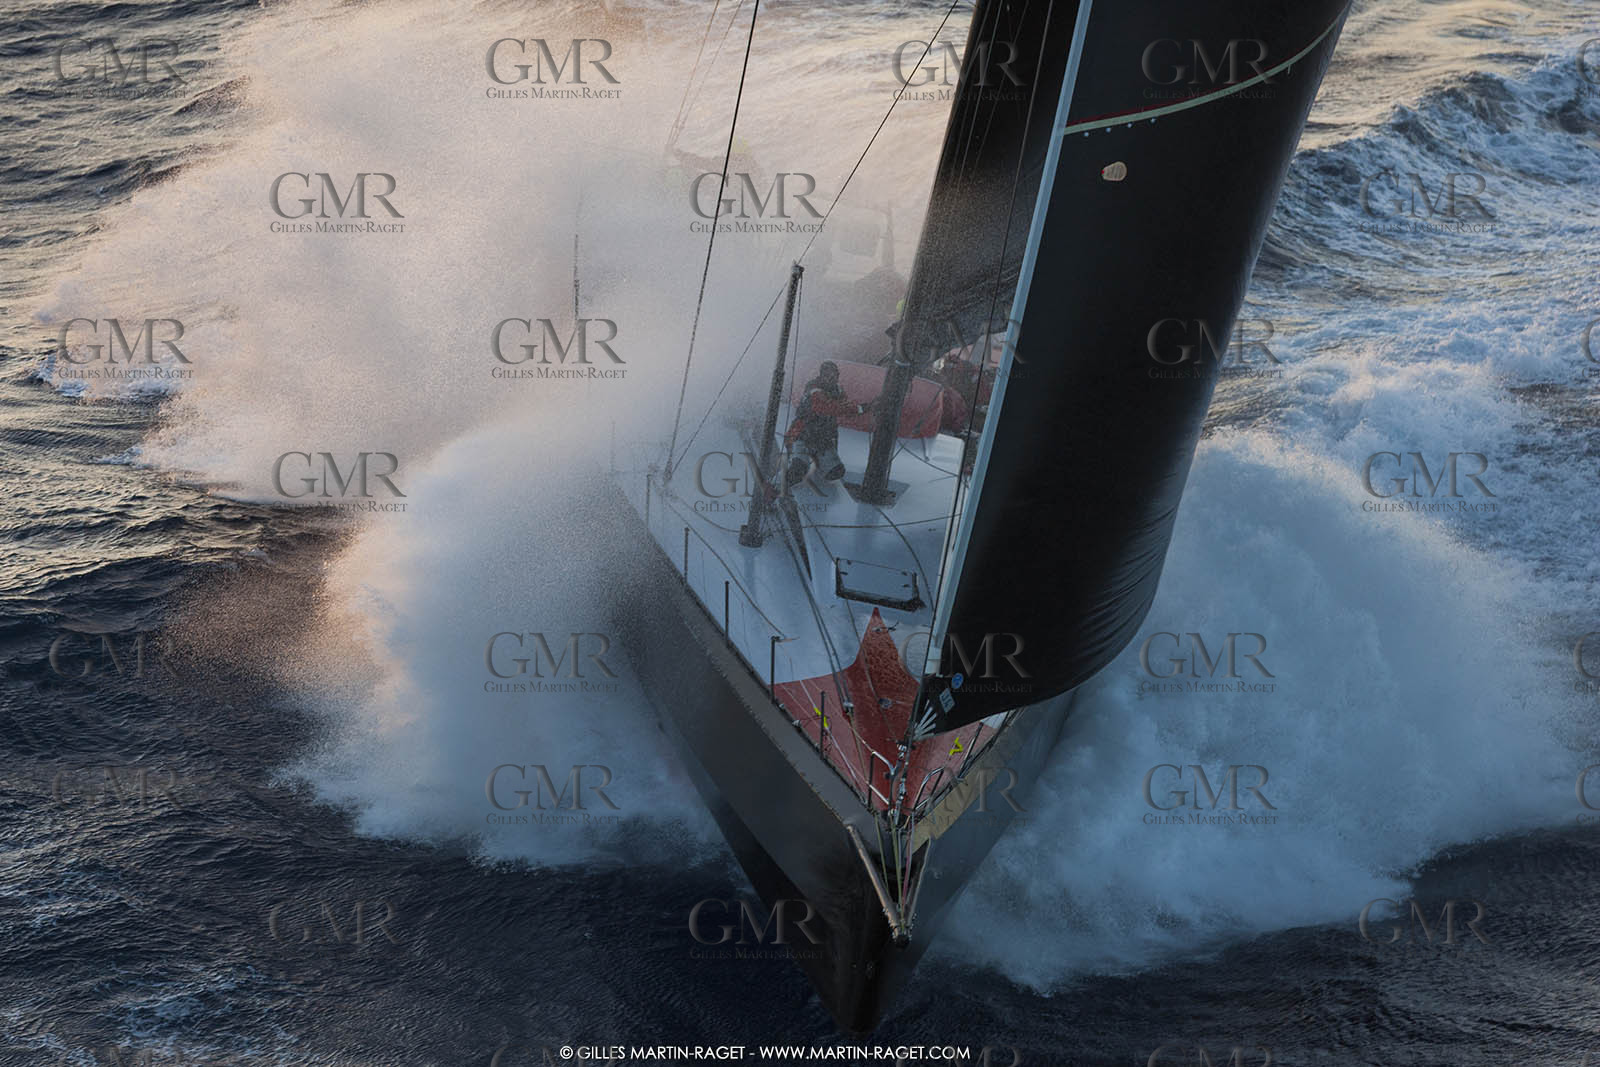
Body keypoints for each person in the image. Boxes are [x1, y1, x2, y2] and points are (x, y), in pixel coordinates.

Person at [783, 361, 873, 491]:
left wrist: (867, 408)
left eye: (835, 375)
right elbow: (827, 408)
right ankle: (780, 487)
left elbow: (845, 409)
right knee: (798, 471)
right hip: (801, 436)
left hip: (822, 439)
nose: (832, 378)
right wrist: (861, 408)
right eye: (828, 375)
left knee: (836, 472)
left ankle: (818, 462)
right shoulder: (814, 390)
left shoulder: (838, 390)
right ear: (821, 376)